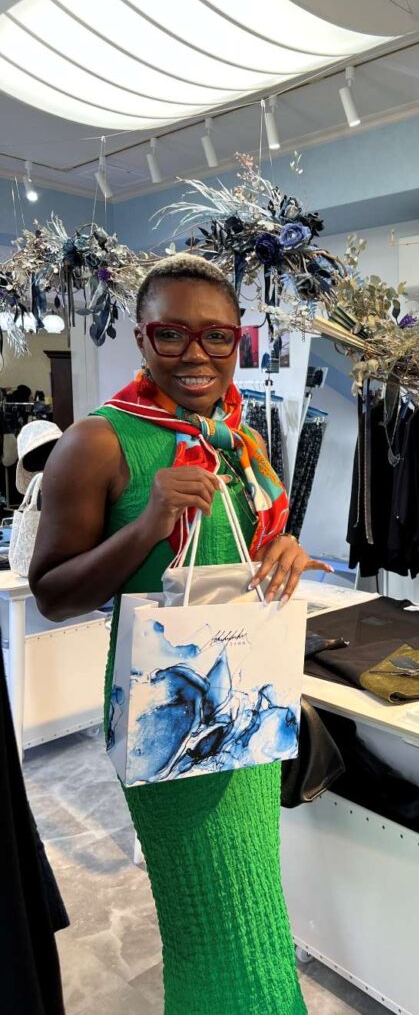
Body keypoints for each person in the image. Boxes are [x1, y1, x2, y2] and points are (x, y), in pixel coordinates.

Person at [29, 254, 331, 1015]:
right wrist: (150, 524)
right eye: (171, 335)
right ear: (139, 337)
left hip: (248, 702)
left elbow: (239, 554)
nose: (196, 355)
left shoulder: (234, 436)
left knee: (256, 914)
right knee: (213, 923)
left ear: (239, 342)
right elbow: (53, 593)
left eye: (217, 337)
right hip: (166, 711)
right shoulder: (98, 443)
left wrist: (280, 553)